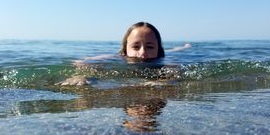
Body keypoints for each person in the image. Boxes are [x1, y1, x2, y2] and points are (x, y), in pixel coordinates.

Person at [58, 22, 190, 86]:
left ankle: (183, 47)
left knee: (174, 51)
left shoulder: (162, 61)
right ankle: (182, 47)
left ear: (158, 50)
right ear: (126, 48)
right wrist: (81, 76)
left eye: (150, 46)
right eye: (136, 46)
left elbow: (175, 69)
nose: (143, 52)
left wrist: (165, 81)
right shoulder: (117, 57)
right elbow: (81, 62)